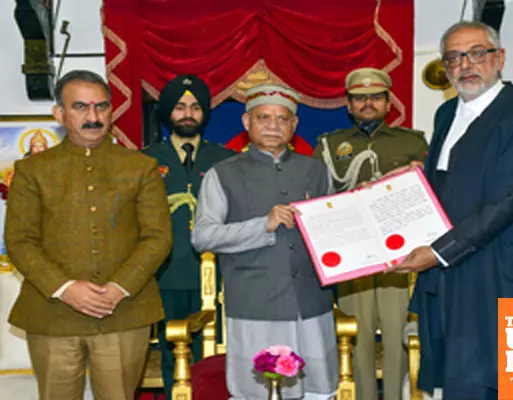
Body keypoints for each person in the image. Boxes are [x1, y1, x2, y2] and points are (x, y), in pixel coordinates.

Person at [385, 21, 513, 399]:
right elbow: (458, 183)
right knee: (463, 384)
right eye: (454, 57)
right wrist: (418, 181)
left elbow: (509, 200)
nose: (465, 64)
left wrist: (437, 253)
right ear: (445, 67)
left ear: (499, 58)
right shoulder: (447, 113)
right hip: (459, 276)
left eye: (476, 53)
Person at [4, 69, 172, 400]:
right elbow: (20, 241)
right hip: (52, 315)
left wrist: (118, 287)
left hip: (124, 311)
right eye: (80, 107)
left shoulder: (141, 167)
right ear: (59, 114)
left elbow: (157, 237)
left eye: (101, 107)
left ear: (112, 111)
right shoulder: (32, 170)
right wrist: (65, 288)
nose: (93, 116)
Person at [191, 83, 339, 399]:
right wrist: (264, 225)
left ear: (294, 125)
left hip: (311, 304)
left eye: (282, 119)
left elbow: (333, 229)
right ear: (247, 123)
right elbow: (202, 236)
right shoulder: (223, 174)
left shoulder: (315, 171)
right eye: (263, 117)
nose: (273, 126)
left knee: (318, 391)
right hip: (255, 306)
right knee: (258, 392)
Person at [313, 67, 428, 400]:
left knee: (397, 336)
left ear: (388, 102)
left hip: (398, 255)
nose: (367, 103)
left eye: (375, 97)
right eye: (359, 98)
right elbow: (319, 197)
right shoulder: (330, 143)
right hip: (353, 253)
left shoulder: (412, 141)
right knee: (356, 335)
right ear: (348, 104)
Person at [142, 74, 235, 399]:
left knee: (217, 357)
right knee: (173, 355)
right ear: (168, 113)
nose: (188, 114)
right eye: (180, 107)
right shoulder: (145, 160)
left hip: (219, 277)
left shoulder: (225, 160)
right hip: (166, 274)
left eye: (195, 107)